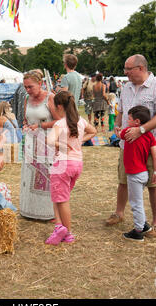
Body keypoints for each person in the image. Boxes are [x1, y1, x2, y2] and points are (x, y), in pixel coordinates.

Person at [105, 54, 156, 238]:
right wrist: (117, 125)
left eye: (128, 69)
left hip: (149, 147)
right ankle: (119, 213)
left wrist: (140, 130)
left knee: (153, 184)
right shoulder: (126, 87)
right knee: (123, 180)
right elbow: (121, 110)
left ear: (140, 68)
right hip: (127, 146)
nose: (125, 73)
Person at [44, 91, 97, 245]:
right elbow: (93, 131)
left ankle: (67, 232)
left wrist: (60, 145)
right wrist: (79, 141)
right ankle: (59, 227)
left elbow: (49, 140)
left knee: (62, 200)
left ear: (59, 106)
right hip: (77, 164)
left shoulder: (60, 124)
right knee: (59, 197)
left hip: (62, 164)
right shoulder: (80, 121)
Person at [20, 69, 60, 220]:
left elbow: (60, 121)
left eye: (30, 87)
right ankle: (29, 210)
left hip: (47, 142)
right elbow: (25, 119)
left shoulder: (50, 98)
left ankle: (46, 212)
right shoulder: (26, 99)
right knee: (30, 176)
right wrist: (25, 125)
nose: (28, 90)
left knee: (45, 177)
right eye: (25, 87)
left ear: (40, 84)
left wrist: (41, 126)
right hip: (31, 142)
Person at [119, 106, 156, 241]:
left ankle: (138, 231)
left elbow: (119, 134)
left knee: (136, 203)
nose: (127, 120)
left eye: (129, 118)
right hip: (143, 173)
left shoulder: (128, 131)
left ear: (137, 122)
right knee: (137, 200)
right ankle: (144, 225)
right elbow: (155, 155)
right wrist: (155, 171)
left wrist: (117, 129)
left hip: (134, 175)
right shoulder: (150, 136)